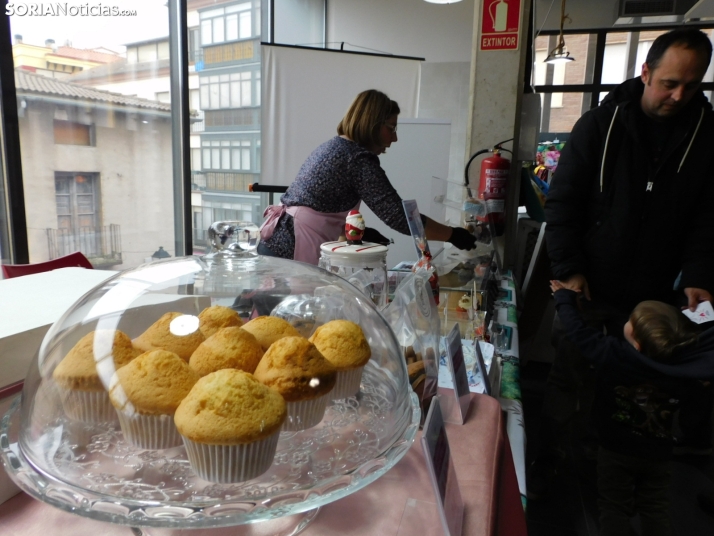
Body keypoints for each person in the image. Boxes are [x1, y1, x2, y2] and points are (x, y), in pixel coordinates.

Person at [530, 28, 714, 497]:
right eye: (669, 83)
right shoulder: (599, 125)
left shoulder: (707, 136)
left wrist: (697, 276)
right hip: (587, 286)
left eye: (691, 86)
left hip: (652, 300)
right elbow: (563, 204)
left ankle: (610, 475)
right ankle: (555, 468)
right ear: (645, 72)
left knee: (632, 394)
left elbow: (707, 219)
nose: (678, 95)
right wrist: (569, 269)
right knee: (570, 379)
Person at [550, 281, 714, 536]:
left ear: (636, 342)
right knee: (655, 508)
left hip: (616, 449)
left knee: (614, 507)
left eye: (631, 321)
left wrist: (563, 298)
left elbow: (578, 331)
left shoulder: (615, 355)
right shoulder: (686, 369)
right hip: (658, 454)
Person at [258, 89, 479, 265]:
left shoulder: (336, 146)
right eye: (391, 128)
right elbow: (399, 217)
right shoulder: (357, 158)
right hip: (290, 247)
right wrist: (453, 235)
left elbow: (323, 201)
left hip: (278, 241)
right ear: (372, 125)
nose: (394, 138)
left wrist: (357, 233)